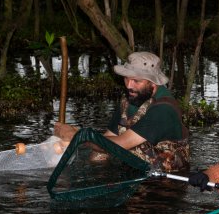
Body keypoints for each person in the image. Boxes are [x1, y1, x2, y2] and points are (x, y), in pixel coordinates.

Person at [54, 51, 189, 172]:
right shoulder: (129, 100)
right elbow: (107, 138)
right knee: (99, 150)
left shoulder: (163, 109)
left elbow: (119, 144)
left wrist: (78, 137)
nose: (129, 86)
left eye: (136, 81)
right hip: (136, 170)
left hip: (164, 181)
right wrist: (94, 170)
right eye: (126, 78)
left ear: (153, 83)